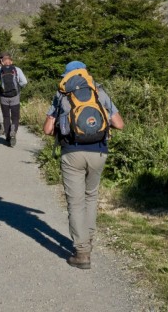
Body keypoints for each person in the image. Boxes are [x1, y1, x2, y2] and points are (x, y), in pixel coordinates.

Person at [42, 61, 124, 270]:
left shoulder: (61, 95)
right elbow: (119, 124)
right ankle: (89, 241)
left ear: (68, 77)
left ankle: (82, 252)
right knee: (91, 197)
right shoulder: (99, 92)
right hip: (99, 151)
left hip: (72, 153)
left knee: (75, 202)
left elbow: (47, 130)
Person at [0, 52, 27, 146]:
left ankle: (7, 136)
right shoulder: (17, 69)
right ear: (11, 61)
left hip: (3, 97)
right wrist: (18, 87)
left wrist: (1, 88)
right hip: (15, 96)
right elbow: (24, 82)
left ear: (2, 62)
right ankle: (13, 130)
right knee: (15, 117)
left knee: (6, 117)